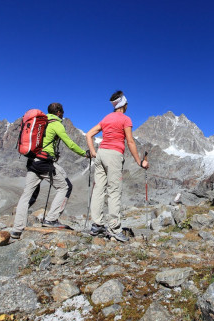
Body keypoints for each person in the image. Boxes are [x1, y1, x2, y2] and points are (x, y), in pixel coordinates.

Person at [11, 102, 88, 239]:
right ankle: (51, 219)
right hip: (45, 163)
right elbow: (70, 143)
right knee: (65, 187)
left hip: (32, 162)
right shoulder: (56, 124)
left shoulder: (41, 122)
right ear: (58, 112)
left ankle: (17, 228)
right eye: (62, 112)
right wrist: (84, 153)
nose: (63, 114)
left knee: (26, 195)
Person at [85, 91, 149, 242]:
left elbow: (88, 134)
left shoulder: (106, 118)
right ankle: (114, 228)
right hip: (114, 155)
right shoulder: (125, 119)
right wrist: (139, 162)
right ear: (124, 105)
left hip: (101, 153)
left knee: (99, 188)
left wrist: (93, 151)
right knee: (114, 191)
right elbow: (130, 141)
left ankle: (97, 224)